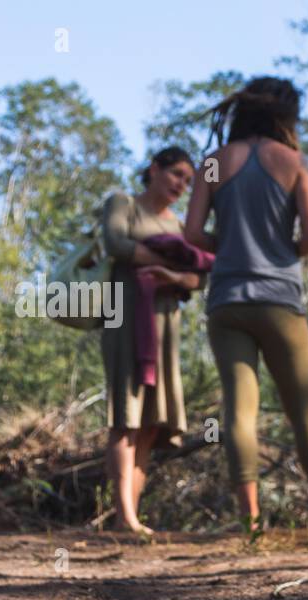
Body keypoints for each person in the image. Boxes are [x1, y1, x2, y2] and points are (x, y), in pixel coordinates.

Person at [185, 76, 308, 532]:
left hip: (227, 300)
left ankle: (250, 520)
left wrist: (230, 246)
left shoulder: (212, 164)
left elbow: (192, 234)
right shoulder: (294, 163)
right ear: (286, 117)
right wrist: (279, 253)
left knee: (239, 409)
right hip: (279, 301)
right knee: (303, 409)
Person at [100, 146, 201, 534]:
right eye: (176, 174)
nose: (181, 185)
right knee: (126, 414)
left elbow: (197, 277)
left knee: (151, 422)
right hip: (125, 316)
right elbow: (116, 244)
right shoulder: (122, 204)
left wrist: (173, 276)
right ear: (154, 169)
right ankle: (123, 515)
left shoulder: (179, 228)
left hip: (166, 326)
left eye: (188, 181)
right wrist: (166, 263)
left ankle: (132, 516)